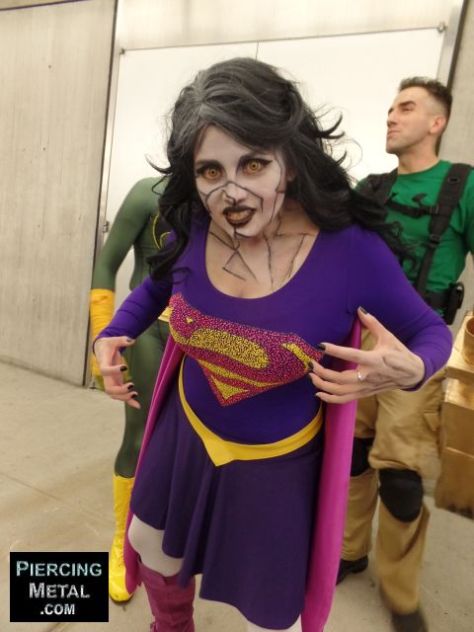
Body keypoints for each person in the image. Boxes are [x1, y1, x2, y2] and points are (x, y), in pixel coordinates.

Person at [93, 59, 452, 632]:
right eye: (210, 170)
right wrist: (113, 332)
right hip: (184, 438)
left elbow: (430, 333)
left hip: (276, 467)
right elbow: (156, 286)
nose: (231, 191)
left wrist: (410, 369)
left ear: (291, 155)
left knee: (267, 609)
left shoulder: (350, 249)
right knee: (154, 550)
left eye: (254, 163)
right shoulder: (192, 223)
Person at [338, 77, 474, 632]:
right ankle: (349, 551)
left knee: (400, 477)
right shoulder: (368, 189)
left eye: (407, 108)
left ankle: (400, 591)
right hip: (358, 338)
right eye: (391, 107)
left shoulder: (463, 185)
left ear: (436, 123)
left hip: (420, 343)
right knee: (351, 455)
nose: (391, 116)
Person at [89, 178, 170, 602]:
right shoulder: (147, 193)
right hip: (150, 328)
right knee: (139, 438)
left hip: (205, 332)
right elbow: (106, 264)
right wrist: (102, 336)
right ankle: (122, 540)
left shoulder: (229, 195)